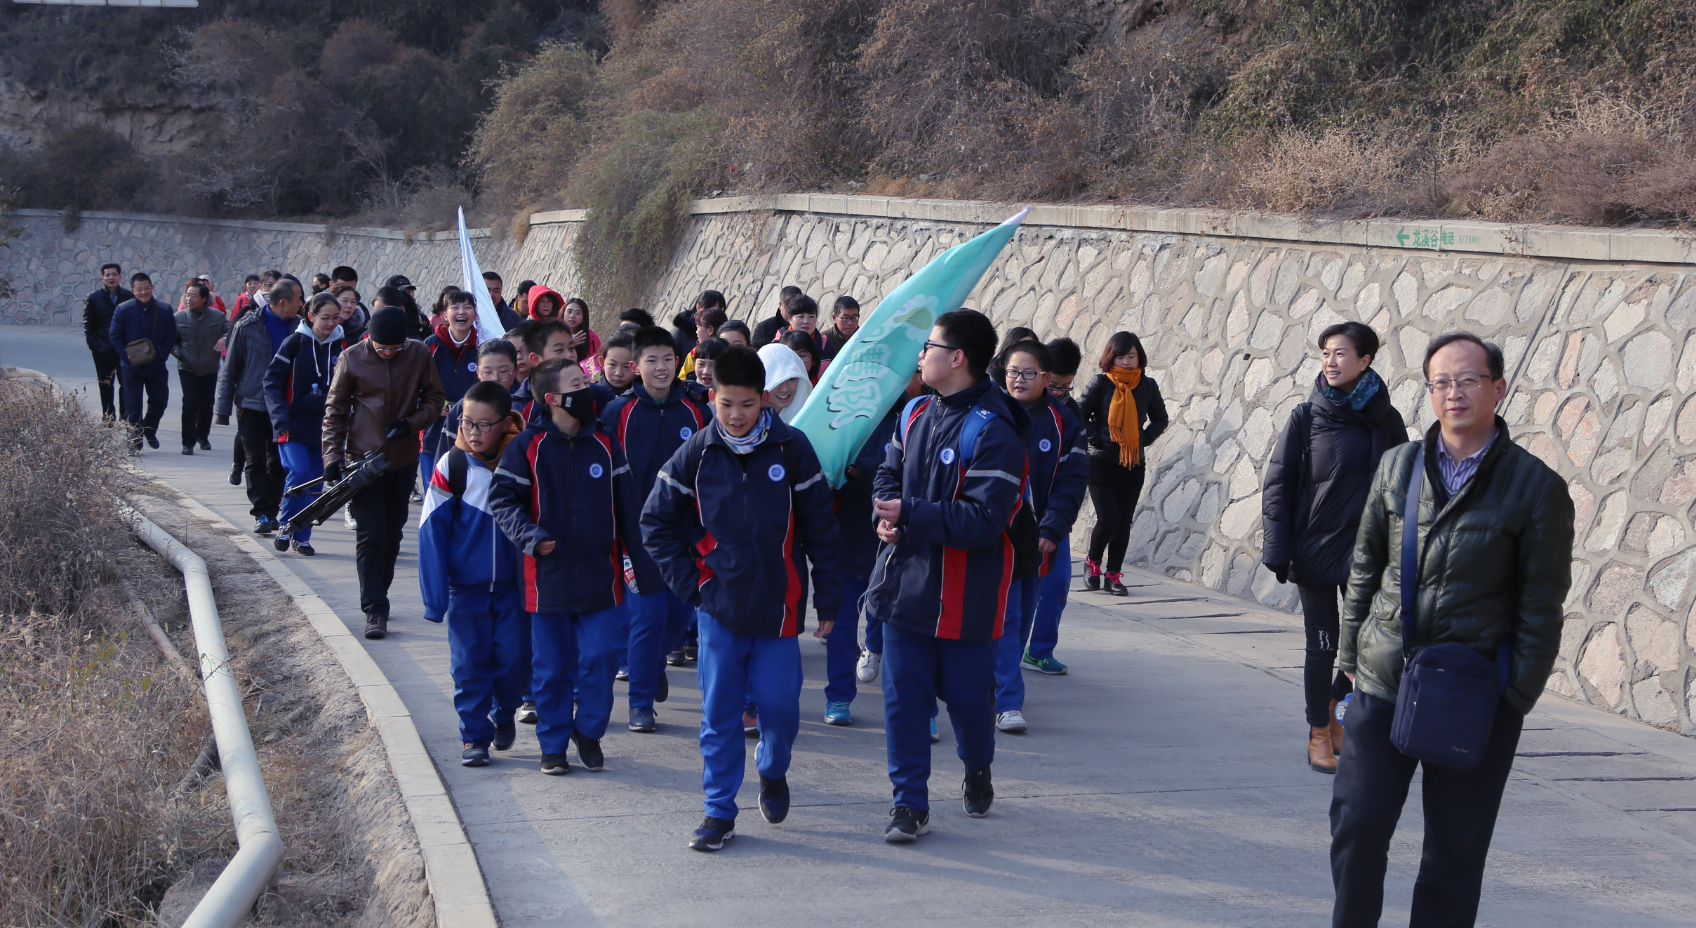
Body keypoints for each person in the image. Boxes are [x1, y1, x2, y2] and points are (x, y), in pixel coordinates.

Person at [1330, 331, 1574, 928]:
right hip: (1385, 681)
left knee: (1454, 855)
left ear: (1499, 388)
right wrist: (1349, 656)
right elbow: (1366, 566)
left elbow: (1541, 606)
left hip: (1474, 695)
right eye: (1442, 381)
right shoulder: (1399, 466)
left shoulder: (1537, 488)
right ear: (1429, 391)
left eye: (1468, 379)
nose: (1455, 392)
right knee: (1357, 829)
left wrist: (1513, 697)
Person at [642, 345, 842, 852]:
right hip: (720, 612)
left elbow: (822, 528)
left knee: (780, 709)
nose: (736, 415)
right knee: (720, 715)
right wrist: (697, 589)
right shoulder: (696, 454)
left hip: (778, 612)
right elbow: (655, 525)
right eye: (726, 403)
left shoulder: (793, 449)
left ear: (766, 402)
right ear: (712, 398)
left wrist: (831, 602)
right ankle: (718, 812)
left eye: (747, 405)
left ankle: (772, 771)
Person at [866, 308, 1029, 843]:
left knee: (968, 707)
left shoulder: (997, 431)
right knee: (904, 705)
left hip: (967, 600)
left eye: (930, 345)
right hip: (905, 591)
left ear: (957, 358)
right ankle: (909, 804)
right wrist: (885, 515)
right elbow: (887, 476)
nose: (921, 354)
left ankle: (977, 765)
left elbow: (985, 522)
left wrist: (908, 514)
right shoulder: (913, 412)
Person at [1262, 321, 1408, 774]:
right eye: (1325, 353)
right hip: (1316, 550)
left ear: (1366, 361)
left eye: (1341, 353)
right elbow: (1279, 482)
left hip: (1369, 555)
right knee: (1322, 646)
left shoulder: (1387, 420)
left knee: (1365, 647)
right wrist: (1278, 547)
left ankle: (1335, 712)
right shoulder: (1306, 417)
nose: (1330, 361)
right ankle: (1318, 733)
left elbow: (1403, 489)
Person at [486, 358, 638, 774]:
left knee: (601, 659)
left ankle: (588, 732)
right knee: (551, 669)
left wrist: (642, 563)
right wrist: (531, 537)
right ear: (553, 398)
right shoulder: (526, 447)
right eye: (577, 383)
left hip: (600, 580)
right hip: (545, 579)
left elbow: (629, 510)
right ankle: (552, 744)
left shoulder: (606, 444)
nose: (587, 388)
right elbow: (501, 501)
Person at [602, 326, 713, 733]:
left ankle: (650, 666)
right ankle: (640, 701)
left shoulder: (698, 412)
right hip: (638, 536)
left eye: (668, 359)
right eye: (651, 360)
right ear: (636, 367)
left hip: (688, 535)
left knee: (679, 617)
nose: (661, 367)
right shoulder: (617, 413)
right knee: (648, 617)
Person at [422, 379, 530, 768]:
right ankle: (474, 736)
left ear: (505, 423)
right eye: (467, 423)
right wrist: (435, 598)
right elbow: (431, 532)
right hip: (464, 589)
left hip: (515, 589)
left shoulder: (524, 460)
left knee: (515, 660)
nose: (473, 432)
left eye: (485, 424)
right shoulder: (451, 465)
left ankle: (504, 713)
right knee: (469, 664)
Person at [322, 305, 448, 640]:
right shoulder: (351, 358)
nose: (389, 353)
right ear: (370, 340)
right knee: (371, 535)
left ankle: (381, 591)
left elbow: (435, 399)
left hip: (402, 458)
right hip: (362, 460)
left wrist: (411, 423)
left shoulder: (420, 353)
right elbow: (334, 411)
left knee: (392, 535)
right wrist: (332, 456)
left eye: (395, 349)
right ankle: (375, 609)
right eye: (382, 349)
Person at [992, 339, 1088, 734]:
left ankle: (1002, 682)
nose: (1019, 380)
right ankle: (1008, 700)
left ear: (1047, 379)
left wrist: (1053, 526)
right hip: (993, 537)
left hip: (1037, 542)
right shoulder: (988, 413)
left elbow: (1073, 480)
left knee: (1022, 617)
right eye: (1013, 372)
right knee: (1007, 615)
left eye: (1029, 373)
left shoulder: (1064, 422)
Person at [828, 369, 924, 722]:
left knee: (888, 614)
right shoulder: (852, 414)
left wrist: (866, 473)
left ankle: (878, 654)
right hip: (848, 532)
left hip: (896, 538)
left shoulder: (918, 414)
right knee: (840, 621)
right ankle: (838, 696)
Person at [1077, 331, 1168, 596]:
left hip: (1132, 464)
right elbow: (1079, 414)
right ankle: (1093, 562)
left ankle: (1113, 575)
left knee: (1123, 522)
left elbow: (1161, 419)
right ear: (1110, 357)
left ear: (1139, 357)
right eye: (1121, 356)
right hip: (1100, 463)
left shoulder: (1147, 385)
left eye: (1131, 355)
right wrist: (1097, 438)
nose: (1127, 361)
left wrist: (1142, 440)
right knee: (1109, 519)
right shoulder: (1101, 383)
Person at [216, 280, 303, 534]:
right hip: (250, 404)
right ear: (283, 302)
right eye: (298, 298)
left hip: (284, 406)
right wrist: (222, 410)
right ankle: (262, 513)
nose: (301, 303)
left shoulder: (300, 329)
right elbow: (230, 370)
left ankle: (272, 509)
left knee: (277, 462)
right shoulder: (247, 326)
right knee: (254, 460)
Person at [263, 293, 346, 556]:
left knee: (315, 482)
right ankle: (286, 525)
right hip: (292, 425)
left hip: (325, 428)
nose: (331, 323)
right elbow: (272, 382)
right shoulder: (295, 343)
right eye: (325, 318)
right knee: (298, 474)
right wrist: (279, 418)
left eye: (336, 317)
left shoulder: (342, 346)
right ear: (311, 316)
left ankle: (303, 535)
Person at [1024, 337, 1085, 675]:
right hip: (1013, 520)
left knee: (1058, 584)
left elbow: (1074, 475)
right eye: (1056, 385)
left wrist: (1058, 518)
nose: (1060, 391)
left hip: (1052, 522)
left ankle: (1040, 650)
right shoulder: (1009, 407)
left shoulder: (1068, 415)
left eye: (1066, 387)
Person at [110, 271, 180, 452]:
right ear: (133, 290)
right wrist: (126, 357)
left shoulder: (164, 309)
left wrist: (162, 355)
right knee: (133, 406)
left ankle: (149, 429)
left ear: (152, 288)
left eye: (146, 288)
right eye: (139, 289)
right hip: (130, 367)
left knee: (159, 401)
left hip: (156, 365)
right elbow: (114, 335)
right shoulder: (123, 309)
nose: (143, 292)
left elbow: (171, 335)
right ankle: (135, 442)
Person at [422, 290, 483, 489]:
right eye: (455, 307)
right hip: (432, 434)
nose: (461, 312)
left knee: (463, 496)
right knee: (433, 495)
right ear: (444, 314)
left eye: (467, 307)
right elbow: (414, 385)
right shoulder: (430, 346)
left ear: (475, 313)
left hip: (470, 436)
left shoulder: (483, 347)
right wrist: (432, 405)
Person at [173, 280, 228, 455]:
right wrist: (181, 354)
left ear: (204, 298)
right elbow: (170, 342)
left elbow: (232, 329)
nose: (189, 298)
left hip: (209, 367)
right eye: (188, 295)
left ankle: (202, 437)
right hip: (187, 366)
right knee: (190, 402)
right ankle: (187, 442)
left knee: (206, 404)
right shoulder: (178, 318)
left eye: (194, 295)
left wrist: (225, 338)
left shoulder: (217, 317)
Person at [84, 263, 133, 421]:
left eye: (114, 274)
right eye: (108, 275)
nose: (111, 278)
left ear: (120, 276)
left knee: (125, 383)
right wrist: (93, 344)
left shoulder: (128, 296)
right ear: (102, 277)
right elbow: (88, 323)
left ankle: (125, 416)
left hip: (123, 348)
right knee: (105, 384)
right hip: (102, 348)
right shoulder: (93, 297)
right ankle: (108, 416)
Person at [756, 342, 812, 423]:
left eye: (792, 379)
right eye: (776, 381)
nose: (785, 389)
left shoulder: (811, 417)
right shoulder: (745, 424)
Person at [681, 307, 727, 381]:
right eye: (701, 364)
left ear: (710, 330)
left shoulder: (695, 352)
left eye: (698, 327)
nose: (696, 332)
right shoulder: (729, 350)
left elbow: (682, 379)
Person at [562, 297, 602, 380]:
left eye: (578, 313)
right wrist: (570, 344)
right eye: (569, 312)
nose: (572, 316)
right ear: (563, 313)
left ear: (584, 317)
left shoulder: (590, 336)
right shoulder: (555, 334)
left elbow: (600, 356)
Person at [820, 296, 860, 365]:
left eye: (854, 317)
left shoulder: (865, 337)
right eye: (845, 318)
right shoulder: (823, 340)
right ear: (835, 318)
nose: (850, 322)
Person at [597, 330, 637, 394]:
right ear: (602, 362)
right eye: (612, 364)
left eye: (627, 367)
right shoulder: (595, 396)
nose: (618, 373)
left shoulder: (645, 392)